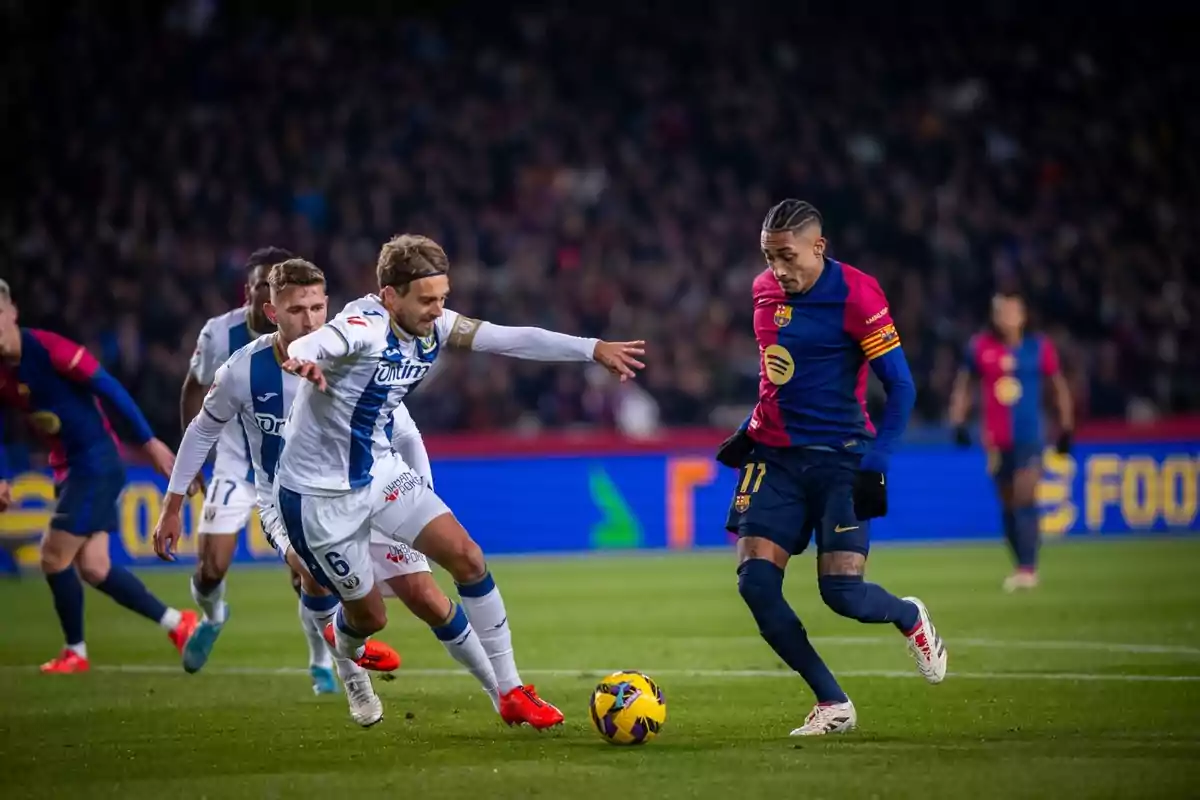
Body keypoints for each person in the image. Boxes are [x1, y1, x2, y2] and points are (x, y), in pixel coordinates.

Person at [275, 233, 645, 729]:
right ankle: (343, 647)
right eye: (426, 300)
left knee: (468, 558)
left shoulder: (436, 325)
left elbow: (512, 338)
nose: (437, 310)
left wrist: (591, 348)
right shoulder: (364, 325)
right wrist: (303, 356)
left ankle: (512, 690)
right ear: (390, 295)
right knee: (369, 619)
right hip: (318, 496)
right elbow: (320, 340)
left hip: (379, 470)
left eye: (442, 297)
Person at [153, 260, 502, 726]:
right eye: (298, 309)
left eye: (319, 307)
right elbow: (202, 431)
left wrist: (423, 493)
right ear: (272, 312)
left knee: (426, 596)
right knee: (313, 576)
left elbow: (405, 434)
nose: (311, 319)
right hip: (287, 501)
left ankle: (502, 692)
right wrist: (172, 505)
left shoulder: (354, 353)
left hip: (368, 486)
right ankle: (350, 673)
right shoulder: (243, 370)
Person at [715, 200, 948, 736]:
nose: (778, 269)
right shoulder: (762, 291)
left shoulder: (856, 294)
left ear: (818, 247)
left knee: (841, 593)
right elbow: (777, 377)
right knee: (754, 582)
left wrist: (878, 460)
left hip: (842, 457)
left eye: (787, 256)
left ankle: (908, 616)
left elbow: (903, 386)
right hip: (775, 455)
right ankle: (832, 702)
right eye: (769, 257)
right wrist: (751, 428)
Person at [0, 279, 197, 673]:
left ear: (12, 312)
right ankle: (179, 624)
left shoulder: (48, 348)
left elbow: (108, 387)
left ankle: (76, 652)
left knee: (53, 556)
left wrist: (149, 442)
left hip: (96, 461)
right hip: (68, 467)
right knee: (94, 567)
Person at [181, 247, 339, 693]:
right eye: (254, 286)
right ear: (255, 294)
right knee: (210, 567)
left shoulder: (321, 341)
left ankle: (319, 661)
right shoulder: (219, 335)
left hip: (292, 470)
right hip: (236, 460)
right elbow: (192, 391)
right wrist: (192, 459)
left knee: (305, 575)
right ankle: (213, 615)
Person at [948, 290, 1073, 591]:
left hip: (1030, 436)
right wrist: (958, 419)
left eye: (1012, 311)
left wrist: (1066, 426)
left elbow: (1058, 386)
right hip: (995, 440)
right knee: (1007, 504)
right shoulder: (980, 347)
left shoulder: (1038, 347)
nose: (1006, 317)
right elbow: (964, 384)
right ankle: (1021, 564)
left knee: (1024, 495)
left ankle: (1029, 568)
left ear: (1023, 315)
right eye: (1001, 311)